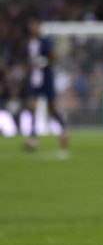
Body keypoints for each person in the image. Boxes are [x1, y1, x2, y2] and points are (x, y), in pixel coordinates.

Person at [22, 17, 69, 152]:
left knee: (51, 108)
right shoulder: (30, 43)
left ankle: (63, 129)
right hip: (35, 78)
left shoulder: (45, 41)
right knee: (31, 107)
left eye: (35, 25)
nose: (33, 28)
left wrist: (45, 61)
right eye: (32, 25)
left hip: (46, 78)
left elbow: (54, 56)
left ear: (40, 26)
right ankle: (32, 139)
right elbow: (30, 60)